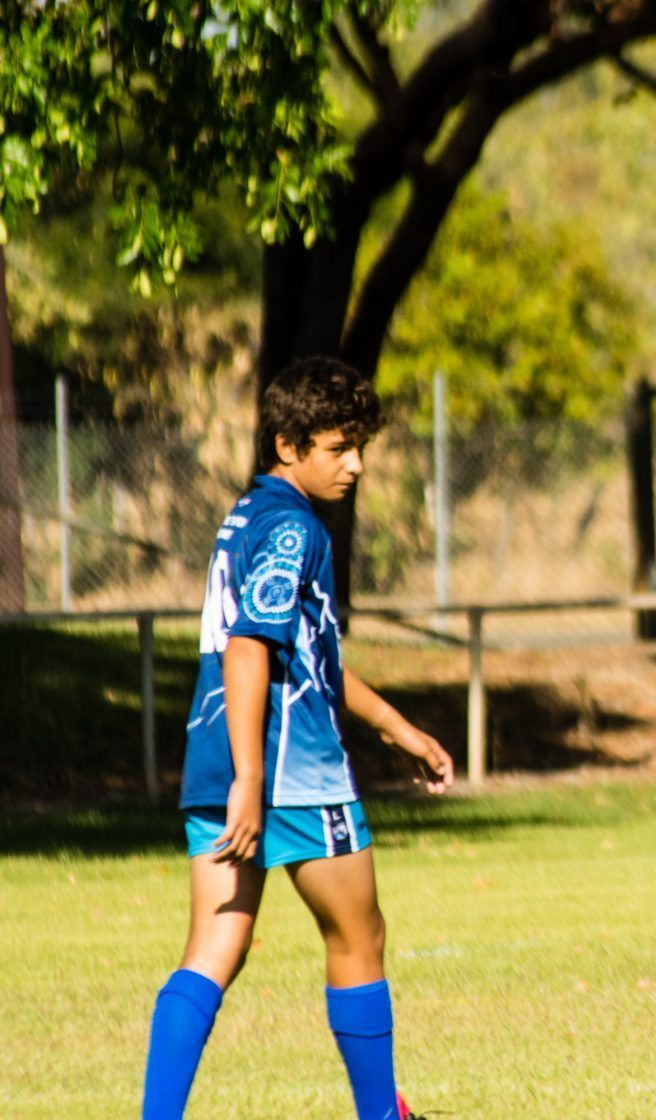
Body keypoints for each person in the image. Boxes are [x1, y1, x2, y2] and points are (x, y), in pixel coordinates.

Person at [140, 356, 453, 1120]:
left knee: (214, 951)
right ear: (288, 445)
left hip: (216, 759)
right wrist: (255, 777)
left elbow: (304, 652)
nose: (354, 465)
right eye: (338, 448)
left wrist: (396, 727)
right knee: (358, 936)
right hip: (289, 770)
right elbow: (251, 645)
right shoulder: (294, 530)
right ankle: (383, 1114)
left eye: (358, 448)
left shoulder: (244, 517)